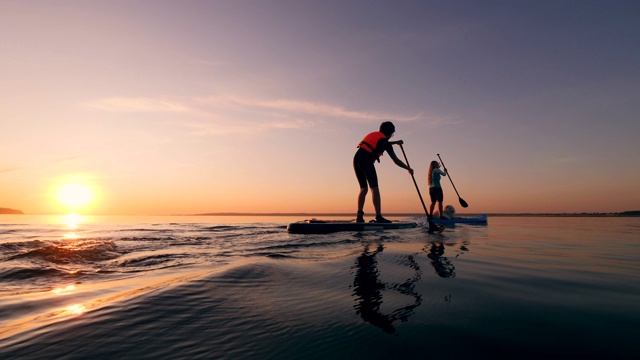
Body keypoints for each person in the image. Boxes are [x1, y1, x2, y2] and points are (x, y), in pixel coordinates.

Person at [353, 121, 413, 223]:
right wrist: (408, 168)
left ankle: (359, 215)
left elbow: (381, 143)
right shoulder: (385, 143)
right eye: (392, 134)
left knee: (363, 188)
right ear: (389, 133)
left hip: (356, 159)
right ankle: (379, 216)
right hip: (366, 160)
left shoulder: (374, 135)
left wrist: (396, 142)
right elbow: (396, 160)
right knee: (374, 189)